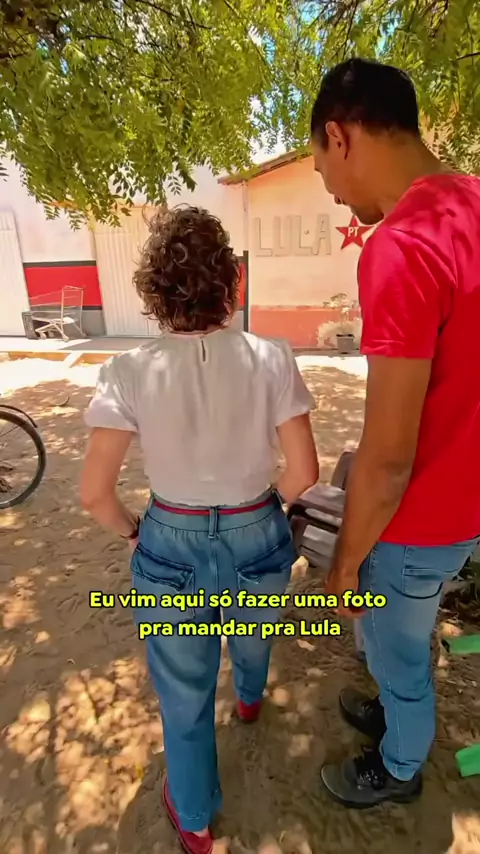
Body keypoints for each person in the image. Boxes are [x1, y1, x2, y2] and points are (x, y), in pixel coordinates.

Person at [80, 205, 319, 853]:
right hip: (257, 529)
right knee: (253, 635)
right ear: (230, 281)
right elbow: (304, 473)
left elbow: (95, 494)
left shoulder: (127, 371)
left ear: (155, 290)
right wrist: (259, 513)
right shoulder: (273, 357)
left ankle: (194, 819)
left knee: (183, 692)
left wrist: (135, 532)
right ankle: (249, 698)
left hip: (169, 539)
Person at [310, 57, 480, 808]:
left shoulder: (404, 244)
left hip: (415, 523)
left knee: (399, 653)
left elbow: (387, 461)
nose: (331, 191)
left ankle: (400, 768)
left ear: (340, 136)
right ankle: (393, 716)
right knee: (406, 637)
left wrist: (344, 566)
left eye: (321, 168)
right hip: (466, 511)